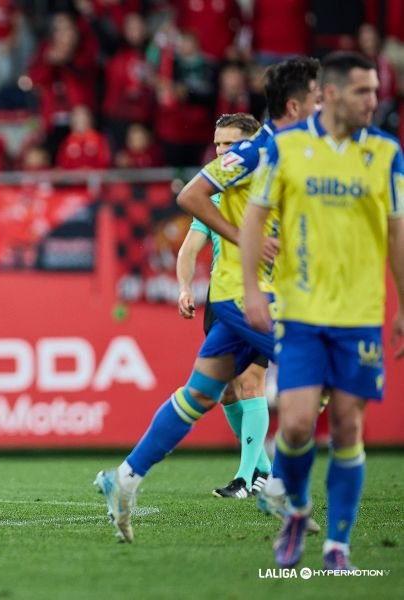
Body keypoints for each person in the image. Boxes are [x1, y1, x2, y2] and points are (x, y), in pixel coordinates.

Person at [93, 56, 321, 543]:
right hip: (245, 296)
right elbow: (192, 196)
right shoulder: (256, 152)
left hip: (261, 294)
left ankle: (124, 479)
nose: (327, 104)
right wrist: (247, 240)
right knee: (319, 372)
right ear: (297, 103)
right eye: (320, 96)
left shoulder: (300, 152)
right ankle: (276, 483)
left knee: (199, 394)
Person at [241, 51, 404, 571]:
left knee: (349, 427)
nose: (374, 101)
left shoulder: (385, 153)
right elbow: (254, 219)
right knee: (293, 425)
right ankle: (296, 509)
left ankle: (337, 546)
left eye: (376, 91)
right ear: (330, 93)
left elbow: (398, 231)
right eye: (363, 91)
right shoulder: (286, 148)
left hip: (360, 313)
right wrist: (250, 289)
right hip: (302, 310)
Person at [175, 112, 272, 499]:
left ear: (250, 145)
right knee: (228, 392)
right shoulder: (213, 192)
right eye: (217, 144)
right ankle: (266, 470)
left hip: (261, 295)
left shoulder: (269, 188)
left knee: (250, 383)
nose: (220, 151)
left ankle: (246, 479)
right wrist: (184, 287)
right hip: (221, 300)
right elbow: (189, 248)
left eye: (229, 144)